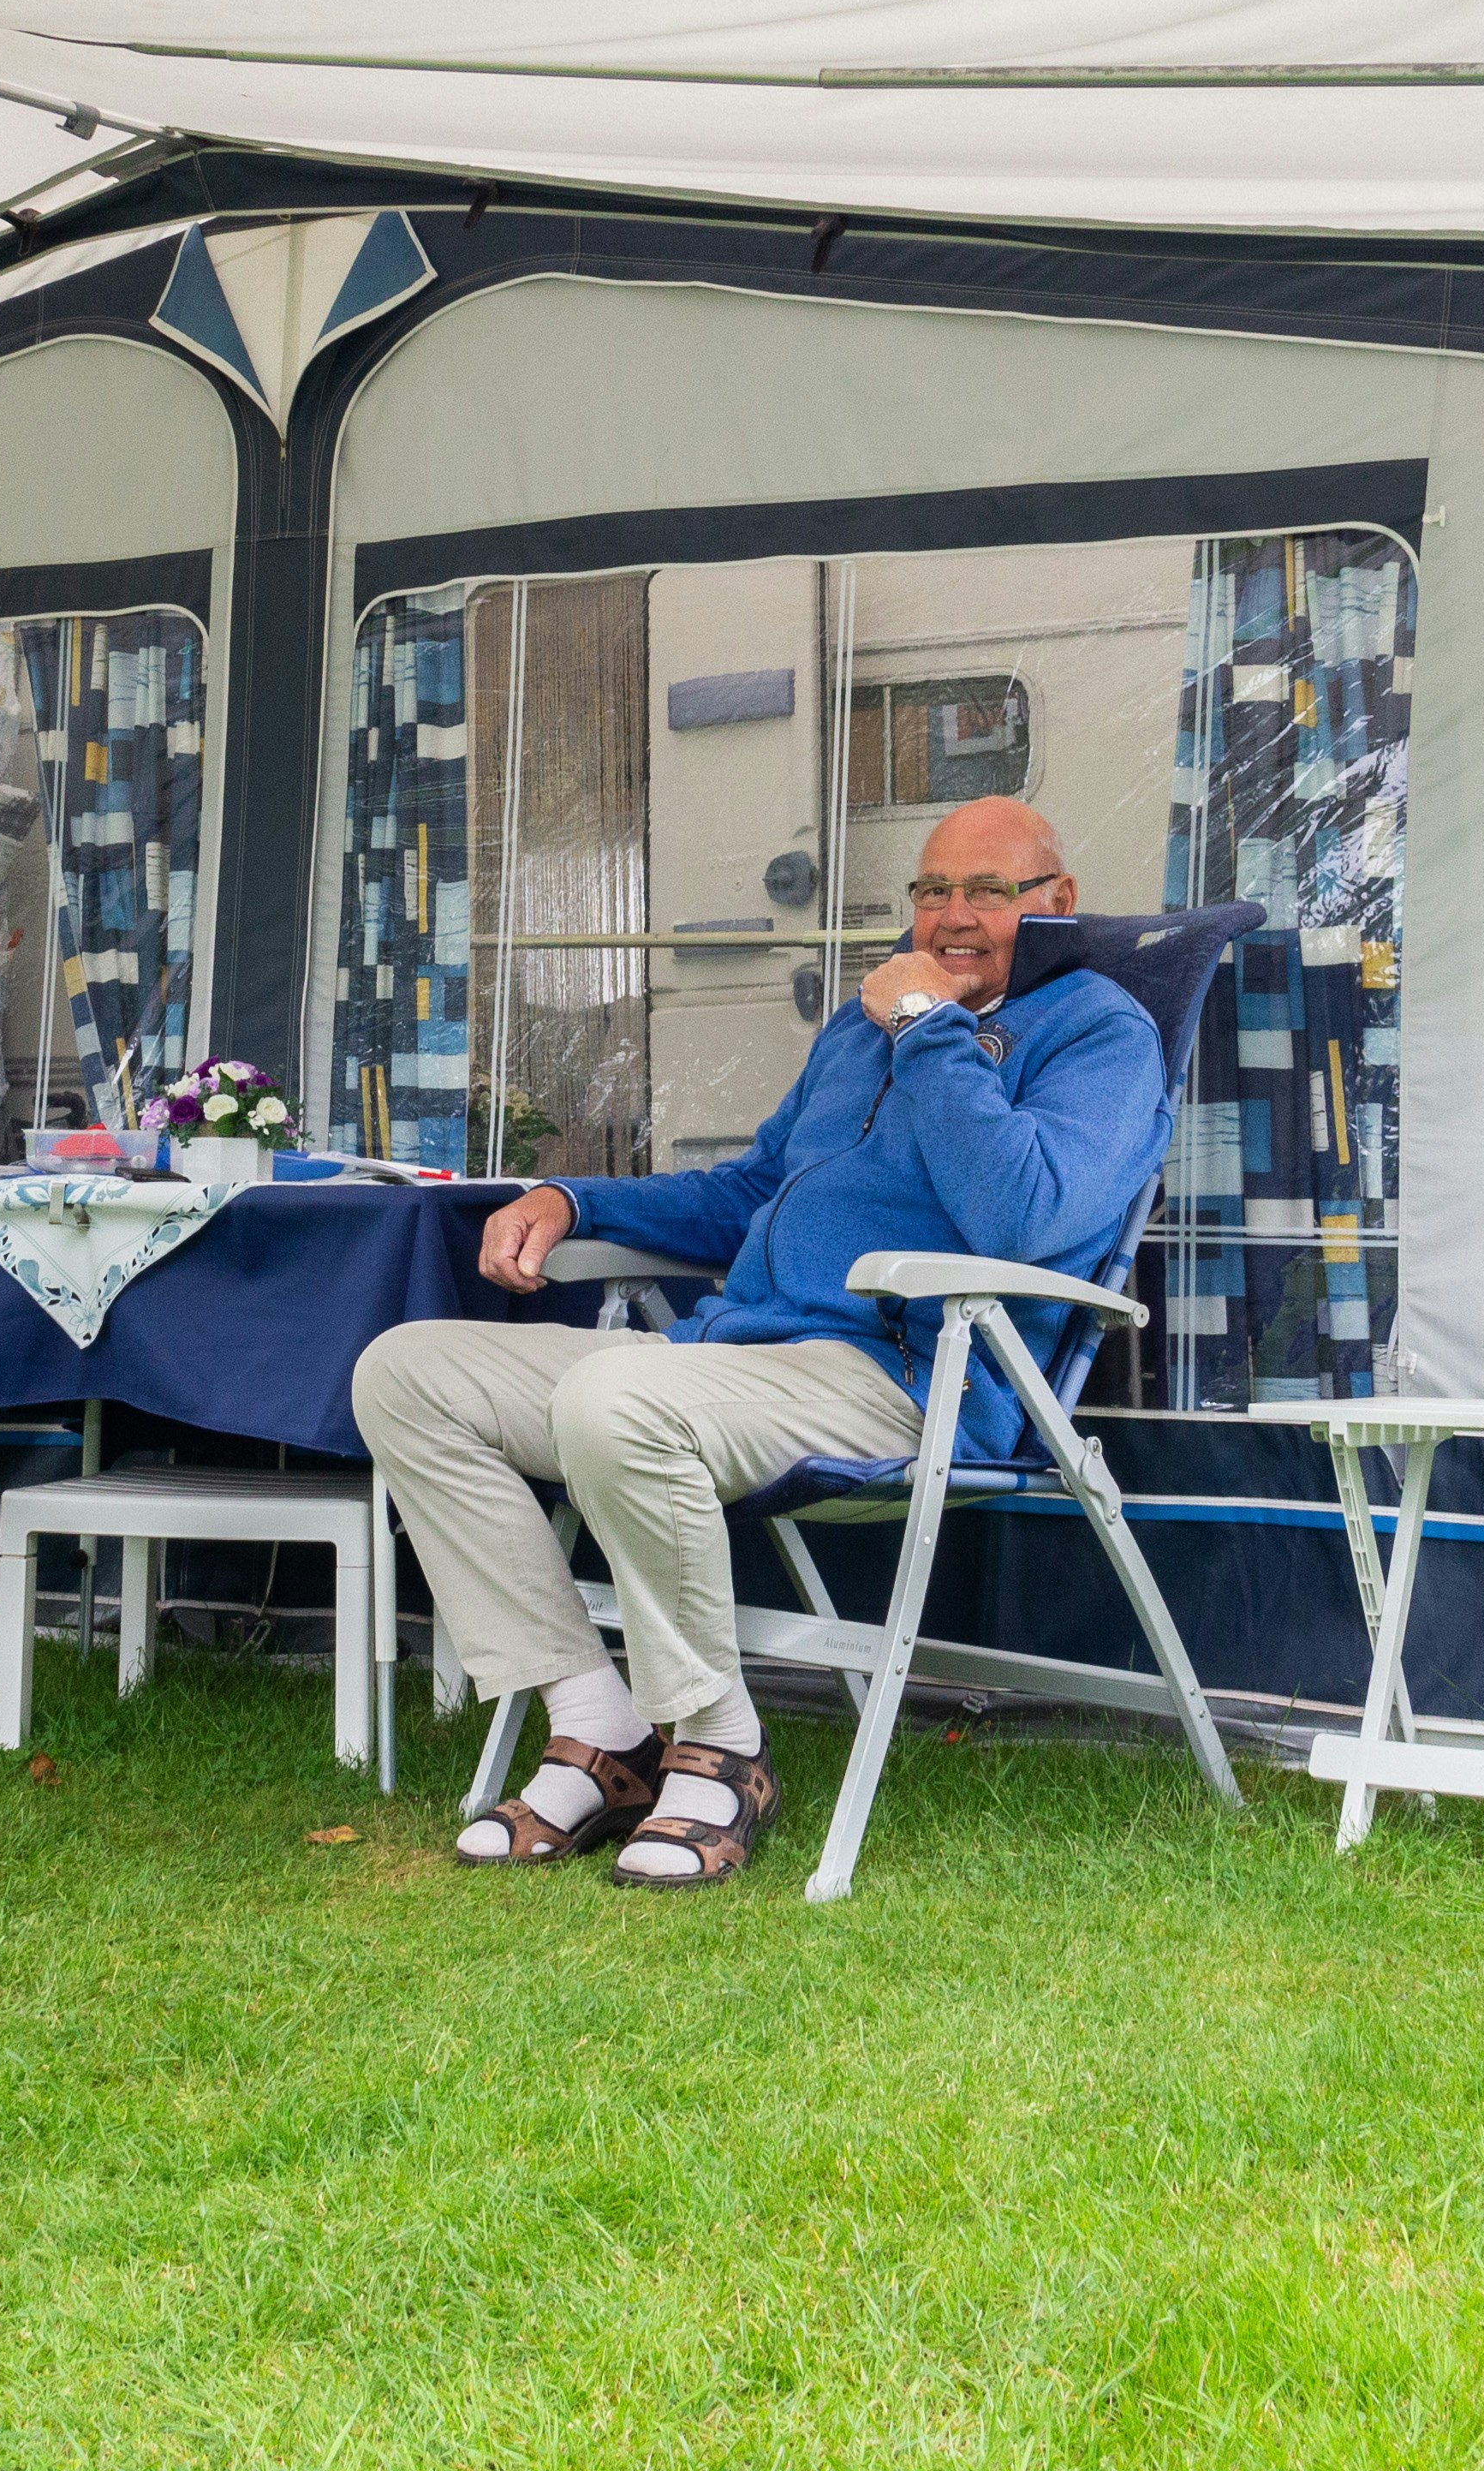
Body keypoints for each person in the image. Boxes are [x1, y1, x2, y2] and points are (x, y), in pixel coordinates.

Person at [353, 796, 1168, 1888]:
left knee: (619, 1403)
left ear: (1058, 902)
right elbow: (749, 1192)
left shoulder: (1101, 1033)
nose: (952, 916)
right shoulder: (858, 1027)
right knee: (406, 1373)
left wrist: (931, 1031)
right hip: (734, 1357)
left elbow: (1024, 1214)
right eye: (931, 891)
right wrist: (575, 1202)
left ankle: (722, 1745)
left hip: (907, 1376)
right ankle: (599, 1726)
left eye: (989, 890)